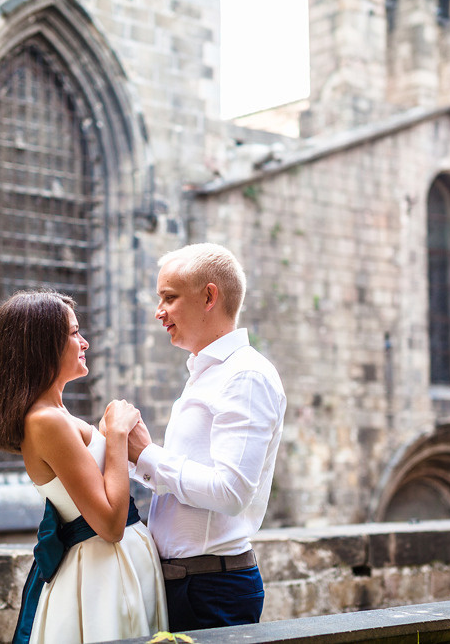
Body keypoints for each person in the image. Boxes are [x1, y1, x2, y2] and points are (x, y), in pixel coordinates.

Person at [0, 290, 167, 644]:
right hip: (102, 576)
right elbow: (109, 524)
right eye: (74, 333)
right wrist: (118, 436)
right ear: (42, 345)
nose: (85, 342)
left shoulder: (57, 416)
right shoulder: (46, 421)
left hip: (116, 568)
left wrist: (107, 434)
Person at [123, 243, 287, 631]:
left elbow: (230, 492)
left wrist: (147, 455)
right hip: (186, 584)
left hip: (212, 588)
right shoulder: (206, 373)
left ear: (209, 296)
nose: (158, 311)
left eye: (169, 298)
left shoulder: (245, 376)